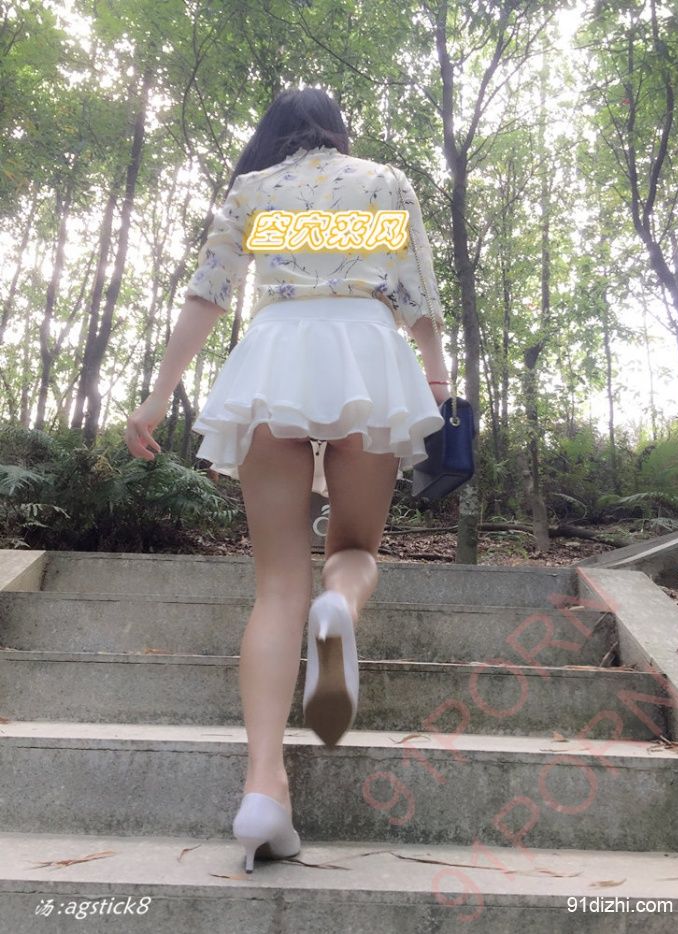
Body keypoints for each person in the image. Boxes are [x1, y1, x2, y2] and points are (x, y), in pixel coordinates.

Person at [124, 87, 451, 874]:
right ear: (339, 130)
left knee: (276, 588)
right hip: (365, 352)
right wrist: (436, 376)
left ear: (274, 132)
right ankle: (339, 609)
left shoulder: (256, 189)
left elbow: (208, 292)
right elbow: (417, 293)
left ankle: (264, 789)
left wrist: (158, 394)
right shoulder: (383, 182)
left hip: (274, 356)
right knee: (354, 549)